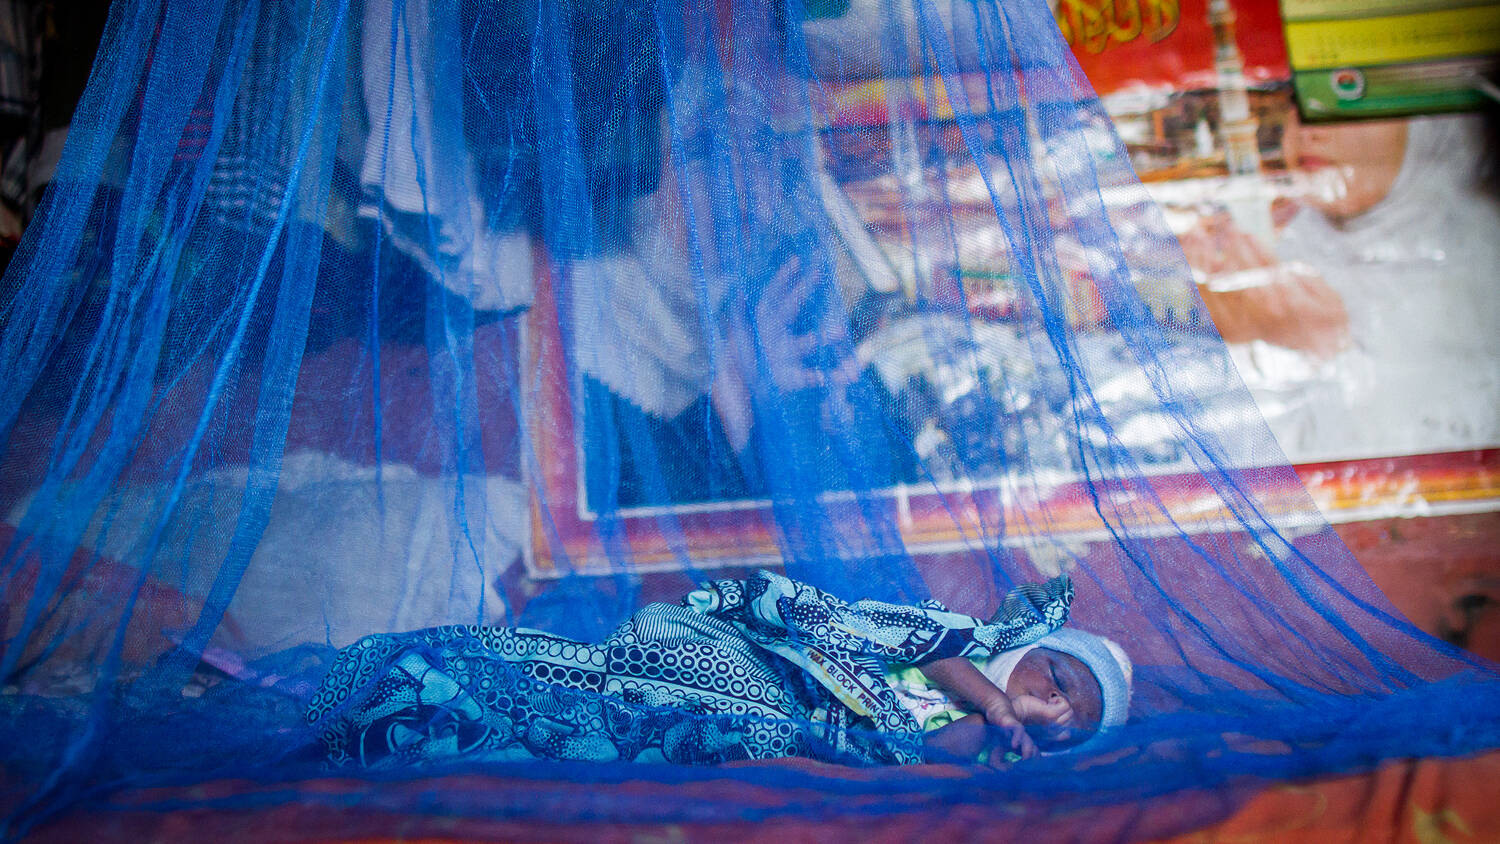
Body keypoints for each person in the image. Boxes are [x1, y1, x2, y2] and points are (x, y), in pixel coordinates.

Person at [306, 572, 1131, 769]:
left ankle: (421, 712)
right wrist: (995, 704)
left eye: (1073, 718)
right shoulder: (960, 645)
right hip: (744, 652)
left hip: (765, 717)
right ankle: (406, 678)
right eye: (1059, 680)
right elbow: (922, 654)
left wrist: (1000, 742)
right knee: (703, 703)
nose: (1054, 703)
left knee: (622, 732)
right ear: (1027, 653)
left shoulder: (978, 748)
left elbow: (912, 752)